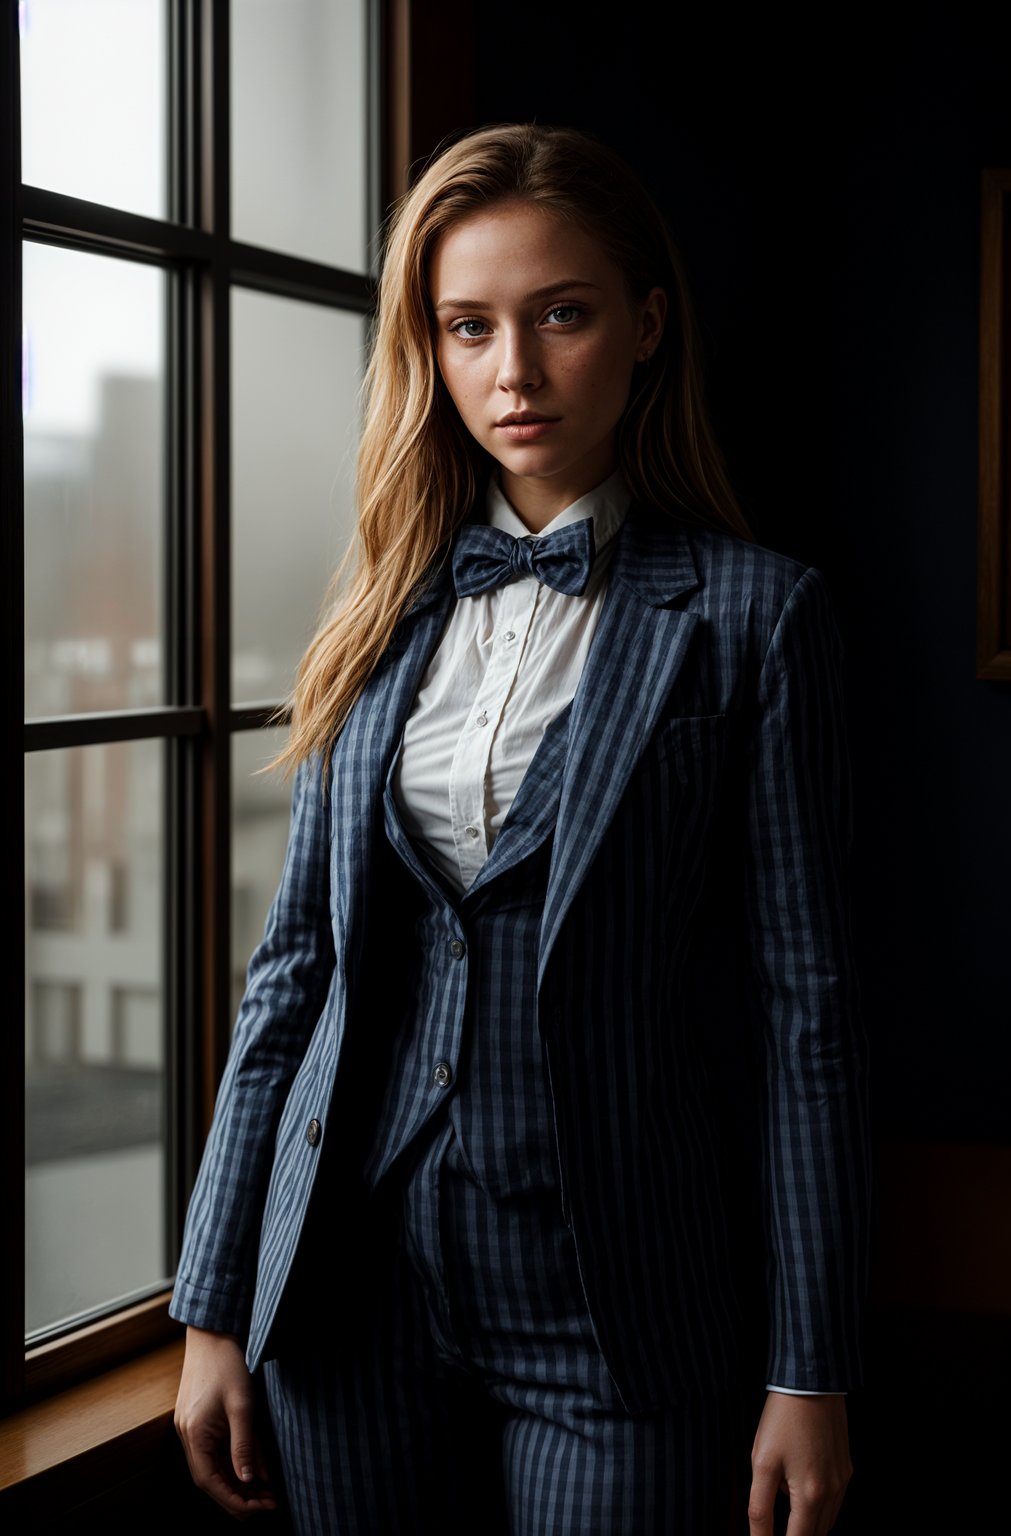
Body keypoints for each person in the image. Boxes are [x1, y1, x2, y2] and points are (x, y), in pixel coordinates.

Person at [171, 122, 870, 1534]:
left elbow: (810, 1018)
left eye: (562, 315)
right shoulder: (376, 612)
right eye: (468, 326)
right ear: (428, 348)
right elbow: (293, 978)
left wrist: (815, 1367)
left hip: (615, 1305)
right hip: (350, 1296)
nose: (516, 371)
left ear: (646, 324)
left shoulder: (754, 617)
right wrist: (215, 1301)